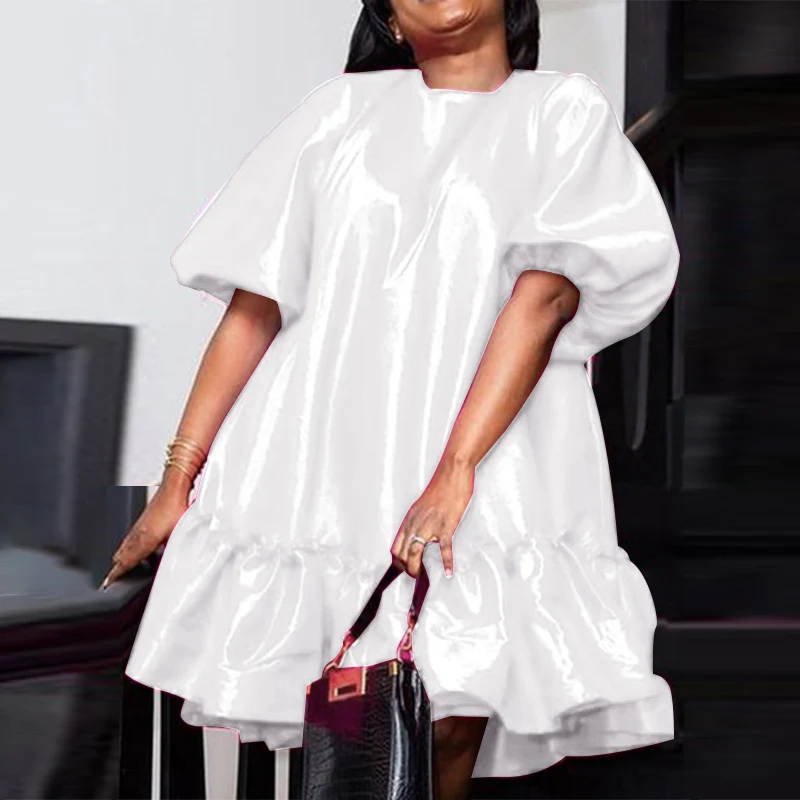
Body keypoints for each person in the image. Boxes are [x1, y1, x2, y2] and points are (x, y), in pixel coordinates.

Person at [111, 1, 680, 797]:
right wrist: (178, 481)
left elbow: (546, 297)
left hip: (495, 454)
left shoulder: (559, 109)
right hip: (329, 457)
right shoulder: (337, 112)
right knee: (359, 711)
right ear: (390, 20)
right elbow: (254, 310)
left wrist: (456, 468)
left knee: (450, 704)